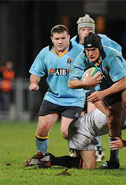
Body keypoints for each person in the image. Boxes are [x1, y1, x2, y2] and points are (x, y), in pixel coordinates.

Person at [68, 33, 126, 164]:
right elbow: (71, 83)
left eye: (93, 50)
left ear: (100, 48)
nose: (90, 53)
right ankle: (114, 160)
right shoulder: (82, 58)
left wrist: (102, 94)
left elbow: (122, 83)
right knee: (113, 118)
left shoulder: (112, 56)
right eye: (87, 50)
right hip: (106, 83)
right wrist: (85, 83)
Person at [38, 90, 126, 169]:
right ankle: (51, 160)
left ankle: (49, 159)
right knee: (89, 167)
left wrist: (123, 143)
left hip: (88, 133)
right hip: (82, 129)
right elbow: (95, 97)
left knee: (79, 161)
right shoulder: (119, 104)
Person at [25, 25, 85, 166]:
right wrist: (34, 83)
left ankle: (82, 154)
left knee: (66, 132)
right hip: (52, 97)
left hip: (74, 98)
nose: (60, 41)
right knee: (42, 129)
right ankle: (41, 156)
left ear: (69, 38)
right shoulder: (45, 53)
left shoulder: (80, 52)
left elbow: (91, 70)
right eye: (57, 38)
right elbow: (35, 73)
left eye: (63, 38)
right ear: (52, 39)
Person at [71, 14, 123, 161]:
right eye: (83, 29)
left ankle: (99, 149)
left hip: (96, 87)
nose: (86, 32)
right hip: (76, 88)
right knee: (75, 121)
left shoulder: (103, 40)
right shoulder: (70, 44)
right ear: (78, 31)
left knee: (93, 117)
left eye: (89, 29)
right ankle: (77, 150)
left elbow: (118, 50)